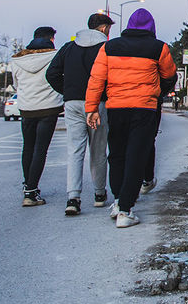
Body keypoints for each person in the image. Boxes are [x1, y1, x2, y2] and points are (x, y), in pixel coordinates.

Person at [85, 8, 177, 228]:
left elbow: (97, 79)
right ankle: (126, 210)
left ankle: (118, 201)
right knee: (136, 155)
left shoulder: (110, 46)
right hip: (144, 108)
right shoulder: (158, 48)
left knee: (116, 154)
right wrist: (158, 92)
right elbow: (169, 75)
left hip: (116, 107)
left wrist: (92, 108)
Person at [46, 13, 114, 216]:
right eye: (108, 30)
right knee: (98, 149)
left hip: (73, 103)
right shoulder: (106, 49)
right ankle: (99, 194)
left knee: (75, 150)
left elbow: (51, 74)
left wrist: (68, 92)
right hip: (99, 104)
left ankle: (73, 198)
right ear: (103, 29)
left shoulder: (68, 47)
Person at [11, 28, 64, 206]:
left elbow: (15, 84)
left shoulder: (17, 59)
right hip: (49, 108)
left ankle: (28, 186)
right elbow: (57, 77)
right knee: (41, 149)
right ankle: (31, 191)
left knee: (28, 147)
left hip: (26, 108)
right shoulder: (54, 56)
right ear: (51, 38)